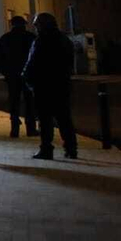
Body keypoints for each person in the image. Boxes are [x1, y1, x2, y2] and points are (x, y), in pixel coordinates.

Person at [23, 11, 77, 160]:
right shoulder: (64, 40)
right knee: (64, 118)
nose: (35, 28)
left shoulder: (41, 40)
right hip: (61, 84)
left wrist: (26, 77)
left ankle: (46, 149)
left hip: (43, 85)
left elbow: (33, 62)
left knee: (45, 120)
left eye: (36, 25)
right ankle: (71, 148)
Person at [0, 16, 37, 137]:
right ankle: (31, 128)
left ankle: (14, 128)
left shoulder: (5, 38)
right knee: (29, 101)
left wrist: (5, 72)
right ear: (24, 24)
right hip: (29, 75)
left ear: (11, 24)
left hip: (11, 75)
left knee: (14, 101)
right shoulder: (31, 37)